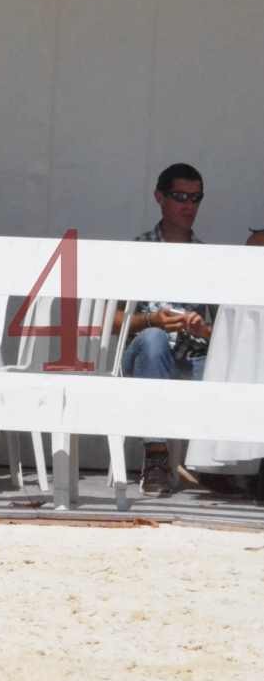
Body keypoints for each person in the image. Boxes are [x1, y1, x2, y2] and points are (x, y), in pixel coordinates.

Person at [116, 162, 217, 495]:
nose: (189, 205)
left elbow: (222, 334)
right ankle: (156, 455)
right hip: (145, 355)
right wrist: (152, 320)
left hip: (192, 355)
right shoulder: (138, 249)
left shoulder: (207, 257)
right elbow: (113, 323)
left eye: (196, 198)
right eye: (180, 197)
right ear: (159, 197)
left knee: (223, 362)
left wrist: (203, 329)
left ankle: (220, 463)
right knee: (155, 338)